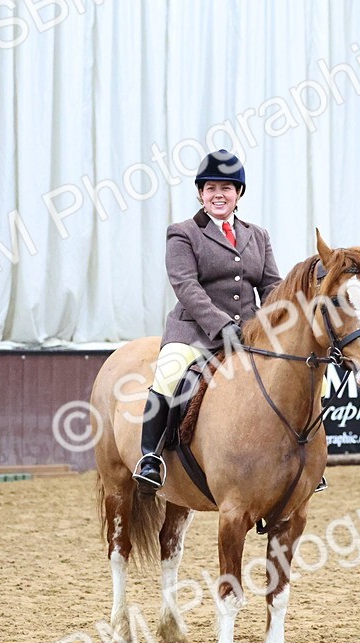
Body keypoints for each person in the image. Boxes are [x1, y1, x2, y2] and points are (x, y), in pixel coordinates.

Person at [133, 150, 282, 492]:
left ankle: (300, 457)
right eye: (211, 187)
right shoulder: (183, 233)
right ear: (200, 193)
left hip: (247, 334)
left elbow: (272, 285)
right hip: (195, 333)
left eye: (227, 188)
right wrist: (221, 325)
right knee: (169, 372)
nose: (219, 194)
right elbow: (187, 286)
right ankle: (151, 457)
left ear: (238, 194)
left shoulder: (258, 235)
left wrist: (278, 320)